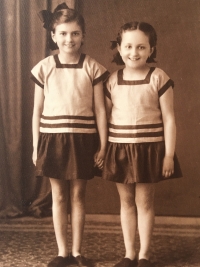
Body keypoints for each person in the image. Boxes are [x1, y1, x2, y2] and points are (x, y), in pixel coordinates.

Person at [31, 3, 109, 267]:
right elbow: (37, 111)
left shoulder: (92, 67)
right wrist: (35, 146)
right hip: (52, 138)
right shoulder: (44, 67)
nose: (69, 39)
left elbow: (100, 109)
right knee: (59, 196)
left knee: (77, 196)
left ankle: (76, 252)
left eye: (75, 33)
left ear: (83, 35)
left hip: (83, 139)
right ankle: (62, 252)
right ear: (53, 36)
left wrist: (103, 144)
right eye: (63, 33)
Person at [102, 21, 182, 267]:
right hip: (120, 148)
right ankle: (129, 254)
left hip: (149, 149)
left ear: (151, 49)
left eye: (141, 47)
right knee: (126, 202)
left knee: (145, 202)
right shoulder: (112, 80)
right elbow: (104, 119)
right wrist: (104, 149)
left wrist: (169, 155)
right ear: (118, 48)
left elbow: (169, 119)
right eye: (127, 46)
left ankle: (145, 255)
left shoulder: (158, 77)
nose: (133, 53)